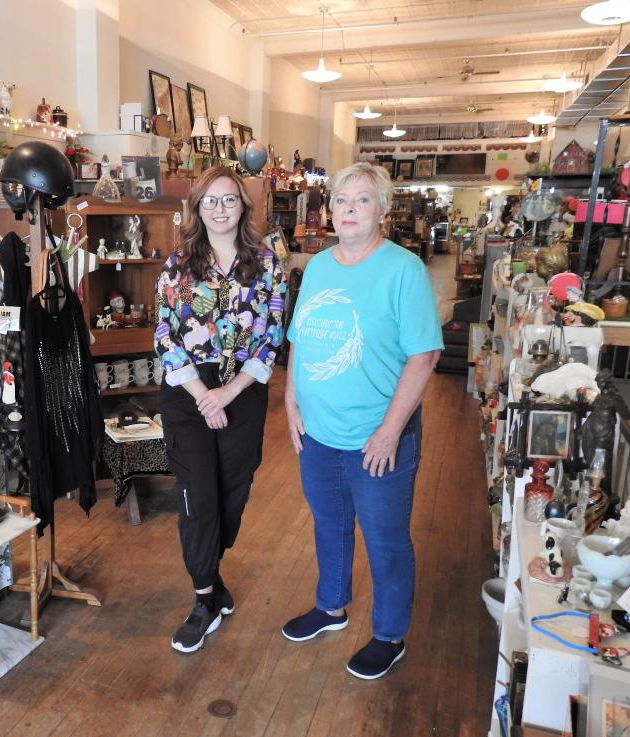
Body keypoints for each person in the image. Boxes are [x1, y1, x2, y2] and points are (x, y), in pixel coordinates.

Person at [283, 162, 442, 680]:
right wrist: (290, 402)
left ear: (382, 210)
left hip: (378, 437)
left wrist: (390, 430)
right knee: (329, 524)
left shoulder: (404, 270)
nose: (348, 209)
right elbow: (300, 342)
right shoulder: (320, 267)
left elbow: (423, 358)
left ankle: (389, 635)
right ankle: (331, 606)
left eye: (362, 200)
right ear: (329, 210)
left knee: (385, 537)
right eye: (341, 200)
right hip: (319, 434)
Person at [155, 165, 286, 654]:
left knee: (233, 494)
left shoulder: (267, 264)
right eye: (209, 200)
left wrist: (225, 394)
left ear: (243, 207)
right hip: (188, 393)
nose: (219, 209)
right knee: (197, 497)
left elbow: (272, 336)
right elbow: (166, 334)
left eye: (228, 200)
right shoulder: (179, 265)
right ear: (197, 208)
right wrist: (201, 394)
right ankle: (204, 597)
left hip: (243, 389)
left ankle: (211, 569)